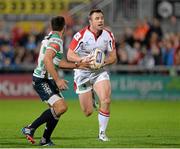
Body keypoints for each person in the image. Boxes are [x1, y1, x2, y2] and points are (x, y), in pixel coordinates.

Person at [21, 16, 90, 146]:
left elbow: (57, 62)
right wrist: (58, 80)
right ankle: (30, 128)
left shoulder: (50, 37)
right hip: (42, 80)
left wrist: (77, 65)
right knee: (61, 107)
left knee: (57, 110)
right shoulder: (56, 41)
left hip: (47, 79)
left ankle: (45, 139)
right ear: (64, 27)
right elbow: (47, 60)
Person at [67, 9, 117, 141]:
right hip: (82, 73)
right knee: (88, 112)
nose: (100, 20)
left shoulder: (108, 35)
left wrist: (103, 62)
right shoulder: (81, 35)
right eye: (97, 18)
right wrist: (81, 60)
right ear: (90, 21)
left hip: (99, 72)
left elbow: (113, 57)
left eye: (102, 18)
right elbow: (69, 55)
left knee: (106, 100)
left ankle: (102, 134)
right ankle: (92, 94)